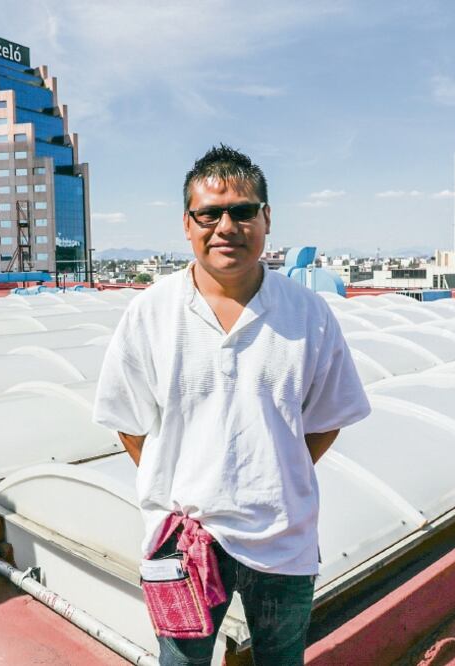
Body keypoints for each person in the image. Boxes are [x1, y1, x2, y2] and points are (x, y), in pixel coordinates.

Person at [93, 145, 371, 665]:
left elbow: (327, 418)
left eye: (243, 211)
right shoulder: (150, 314)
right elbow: (128, 424)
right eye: (209, 214)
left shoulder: (307, 313)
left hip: (282, 540)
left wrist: (271, 471)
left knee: (282, 659)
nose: (226, 226)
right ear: (187, 223)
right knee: (180, 662)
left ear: (266, 219)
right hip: (182, 541)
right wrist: (187, 483)